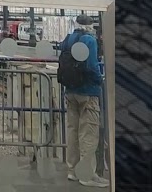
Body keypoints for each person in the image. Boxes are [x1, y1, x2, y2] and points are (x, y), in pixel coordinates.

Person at [58, 14, 108, 187]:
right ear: (90, 26)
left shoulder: (67, 39)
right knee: (88, 133)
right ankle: (87, 175)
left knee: (72, 131)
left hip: (70, 91)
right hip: (88, 92)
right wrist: (99, 80)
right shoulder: (89, 41)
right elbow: (91, 66)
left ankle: (72, 170)